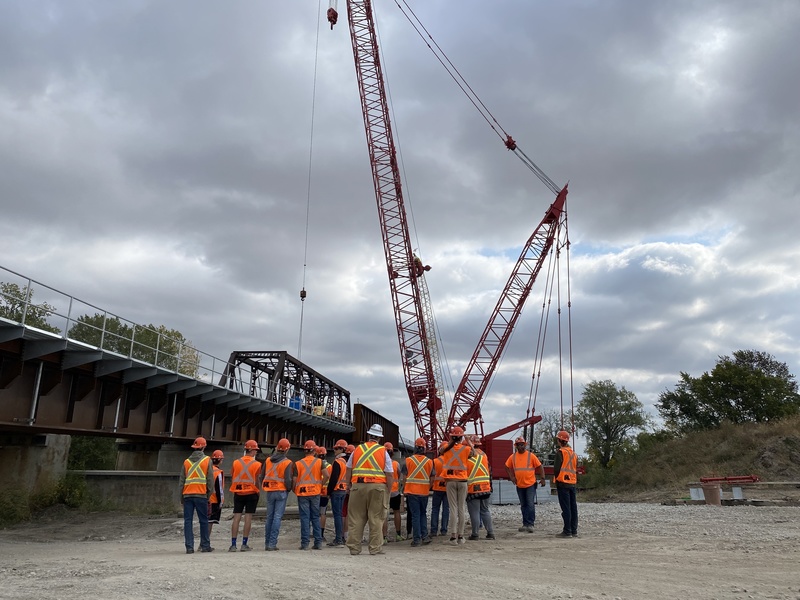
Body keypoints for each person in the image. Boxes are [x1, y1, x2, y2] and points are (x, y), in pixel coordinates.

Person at [345, 423, 394, 556]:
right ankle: (375, 548)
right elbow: (389, 474)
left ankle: (354, 548)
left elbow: (348, 468)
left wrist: (348, 485)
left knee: (355, 518)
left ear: (369, 435)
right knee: (376, 518)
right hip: (378, 488)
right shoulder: (383, 452)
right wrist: (388, 490)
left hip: (357, 487)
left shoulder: (357, 449)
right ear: (379, 438)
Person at [440, 426, 475, 545]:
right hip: (462, 482)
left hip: (450, 481)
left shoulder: (446, 449)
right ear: (461, 437)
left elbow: (441, 451)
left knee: (453, 509)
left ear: (452, 437)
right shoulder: (465, 449)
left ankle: (453, 536)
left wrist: (451, 440)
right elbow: (474, 453)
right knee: (461, 508)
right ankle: (461, 536)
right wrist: (468, 440)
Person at [179, 436, 214, 554]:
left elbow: (181, 482)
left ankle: (189, 547)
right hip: (201, 495)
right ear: (203, 447)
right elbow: (210, 480)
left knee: (187, 521)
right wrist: (208, 495)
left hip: (187, 495)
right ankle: (205, 546)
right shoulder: (207, 460)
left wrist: (181, 499)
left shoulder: (186, 462)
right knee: (203, 520)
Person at [505, 436, 546, 533]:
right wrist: (511, 477)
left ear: (525, 445)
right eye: (518, 445)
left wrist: (543, 478)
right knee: (523, 505)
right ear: (516, 446)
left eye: (522, 445)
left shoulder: (530, 456)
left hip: (530, 484)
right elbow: (506, 466)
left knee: (530, 504)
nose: (520, 446)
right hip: (520, 485)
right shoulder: (513, 457)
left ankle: (530, 524)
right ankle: (525, 524)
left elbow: (540, 467)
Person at [294, 440, 329, 550]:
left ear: (305, 451)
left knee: (305, 518)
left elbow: (294, 480)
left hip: (303, 493)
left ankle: (305, 544)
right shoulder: (320, 462)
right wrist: (320, 485)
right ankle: (318, 543)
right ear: (314, 451)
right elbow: (326, 475)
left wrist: (295, 490)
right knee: (315, 517)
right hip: (315, 493)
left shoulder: (298, 463)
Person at [229, 439, 262, 552]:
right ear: (252, 450)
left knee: (237, 517)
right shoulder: (257, 464)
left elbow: (233, 476)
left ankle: (233, 544)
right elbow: (257, 480)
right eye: (256, 450)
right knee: (248, 518)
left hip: (238, 493)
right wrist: (258, 490)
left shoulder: (235, 462)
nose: (256, 452)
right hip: (251, 493)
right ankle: (244, 544)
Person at [262, 438, 294, 551]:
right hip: (281, 491)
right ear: (287, 449)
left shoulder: (267, 460)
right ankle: (272, 544)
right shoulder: (287, 462)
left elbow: (262, 475)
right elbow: (288, 480)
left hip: (270, 490)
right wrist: (289, 489)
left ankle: (267, 543)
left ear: (277, 448)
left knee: (269, 517)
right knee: (277, 517)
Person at [401, 437, 433, 547]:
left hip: (411, 492)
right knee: (422, 514)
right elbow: (432, 477)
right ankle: (424, 536)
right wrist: (428, 487)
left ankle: (416, 539)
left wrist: (404, 489)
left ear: (415, 448)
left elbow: (404, 477)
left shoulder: (408, 461)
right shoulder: (429, 462)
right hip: (424, 492)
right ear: (424, 449)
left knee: (415, 515)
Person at [466, 435, 495, 541]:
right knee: (485, 510)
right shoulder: (484, 455)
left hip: (474, 488)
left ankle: (475, 534)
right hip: (485, 487)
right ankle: (490, 533)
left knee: (474, 512)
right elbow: (489, 472)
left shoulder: (468, 455)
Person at [553, 430, 579, 538]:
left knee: (566, 508)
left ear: (559, 440)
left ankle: (567, 531)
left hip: (563, 483)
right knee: (573, 508)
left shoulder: (561, 452)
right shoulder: (573, 454)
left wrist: (557, 479)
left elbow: (556, 469)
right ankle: (573, 530)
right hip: (572, 483)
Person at [326, 439, 349, 547]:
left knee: (337, 515)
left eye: (336, 448)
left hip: (336, 491)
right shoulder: (345, 462)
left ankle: (338, 539)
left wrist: (328, 492)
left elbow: (333, 479)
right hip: (343, 490)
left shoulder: (337, 462)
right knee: (340, 514)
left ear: (342, 449)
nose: (334, 450)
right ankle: (341, 538)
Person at [382, 442, 404, 542]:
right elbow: (399, 476)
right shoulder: (396, 464)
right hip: (395, 491)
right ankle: (398, 535)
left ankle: (384, 537)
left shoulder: (380, 464)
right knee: (397, 512)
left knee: (384, 515)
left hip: (384, 491)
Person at [429, 442, 449, 537]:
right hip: (448, 488)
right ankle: (444, 530)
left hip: (437, 488)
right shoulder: (451, 461)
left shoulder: (435, 461)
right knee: (446, 509)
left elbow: (431, 475)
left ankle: (433, 531)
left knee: (435, 509)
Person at [208, 449, 225, 537]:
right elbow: (219, 489)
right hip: (214, 500)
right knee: (210, 522)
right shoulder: (218, 472)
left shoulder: (207, 470)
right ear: (220, 460)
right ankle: (205, 543)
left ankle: (204, 543)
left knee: (205, 521)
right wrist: (221, 502)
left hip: (205, 498)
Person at [316, 446, 330, 541]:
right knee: (323, 513)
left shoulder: (315, 465)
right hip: (325, 492)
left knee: (314, 513)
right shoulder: (329, 466)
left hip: (316, 491)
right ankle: (321, 534)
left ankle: (315, 532)